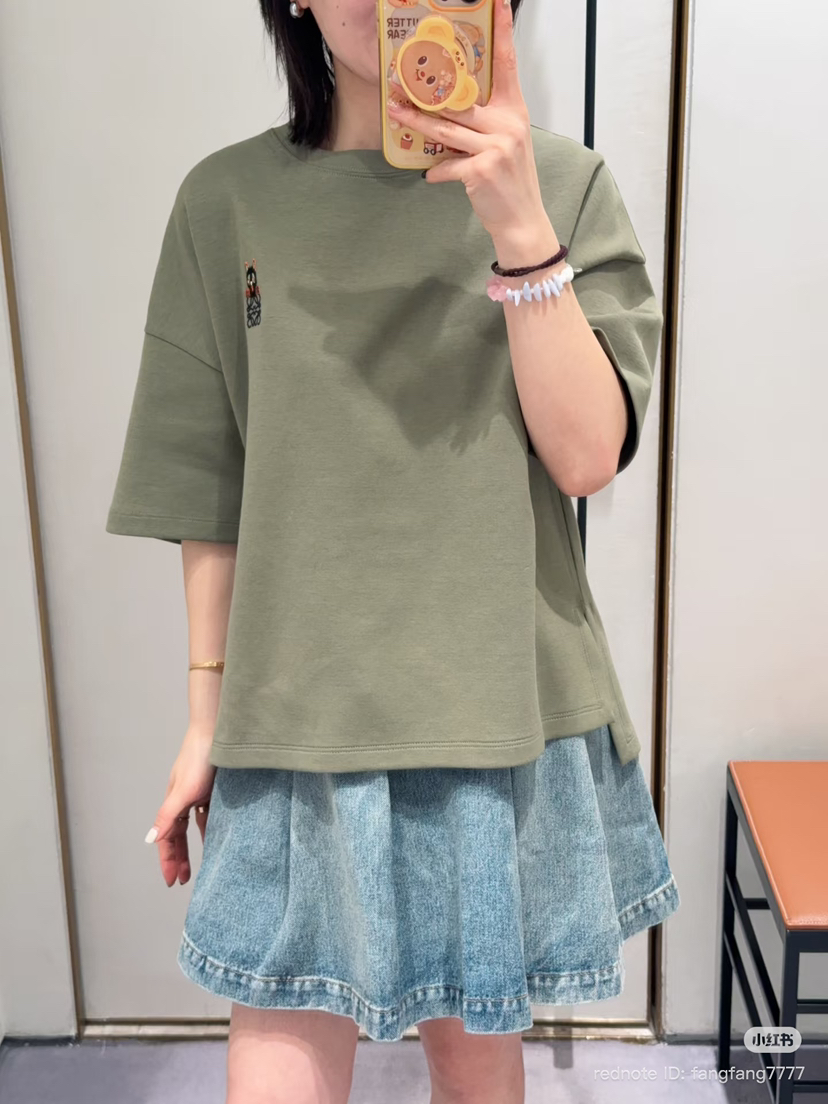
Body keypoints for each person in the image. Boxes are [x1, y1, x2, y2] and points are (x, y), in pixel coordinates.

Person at [105, 0, 680, 1100]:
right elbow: (208, 480)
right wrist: (204, 716)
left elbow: (586, 458)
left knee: (476, 1069)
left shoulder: (565, 186)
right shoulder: (225, 202)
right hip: (294, 717)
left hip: (494, 713)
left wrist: (521, 228)